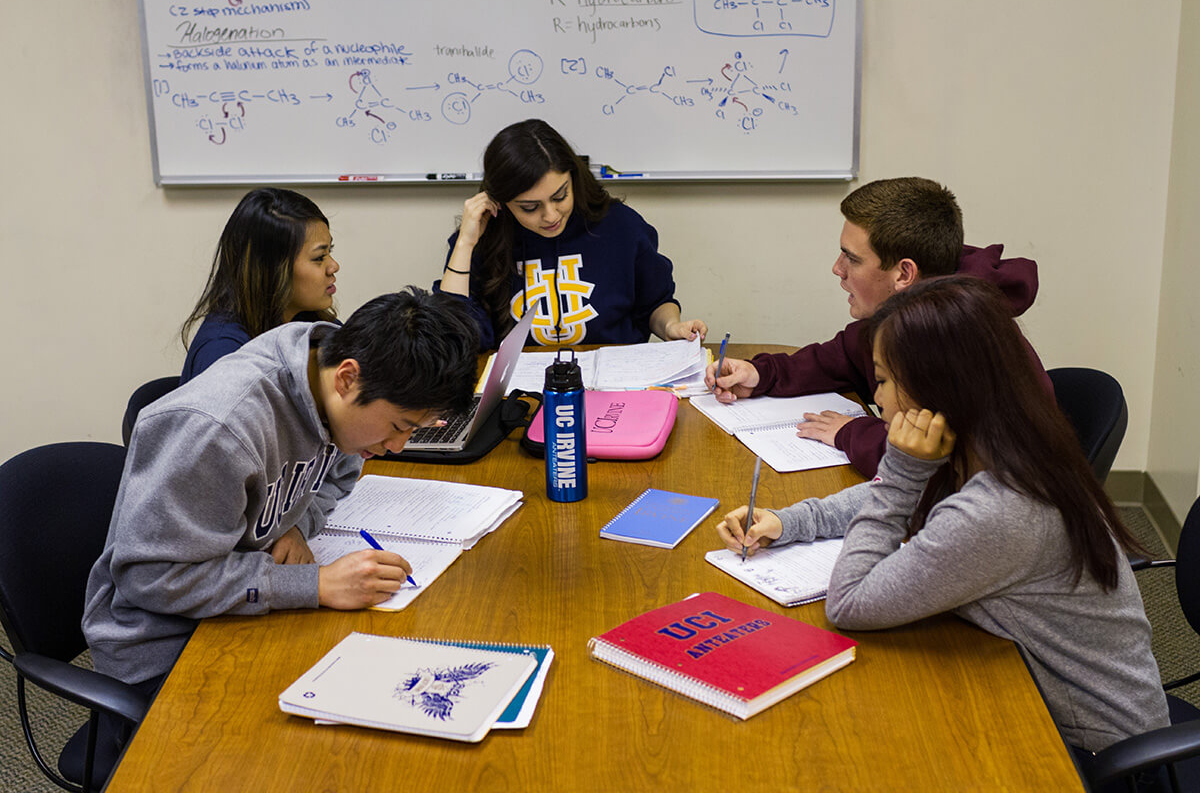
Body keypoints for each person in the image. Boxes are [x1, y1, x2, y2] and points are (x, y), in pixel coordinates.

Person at [715, 276, 1169, 761]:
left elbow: (849, 603)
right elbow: (903, 499)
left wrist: (903, 468)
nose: (880, 399)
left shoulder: (1000, 509)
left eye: (885, 381)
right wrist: (789, 523)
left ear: (940, 389)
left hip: (1088, 752)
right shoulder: (1006, 448)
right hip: (1026, 686)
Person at [82, 287, 479, 780]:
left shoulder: (330, 375)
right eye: (398, 426)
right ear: (349, 378)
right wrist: (314, 585)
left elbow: (339, 472)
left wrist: (294, 522)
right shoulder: (218, 428)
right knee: (316, 765)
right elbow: (151, 577)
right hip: (165, 646)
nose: (398, 446)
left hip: (243, 604)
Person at [705, 177, 1051, 477]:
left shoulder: (956, 338)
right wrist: (759, 374)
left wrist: (851, 432)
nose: (837, 269)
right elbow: (838, 357)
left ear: (904, 274)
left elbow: (934, 465)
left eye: (852, 259)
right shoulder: (908, 314)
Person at [434, 118, 707, 350]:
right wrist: (465, 244)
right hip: (517, 398)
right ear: (501, 203)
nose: (550, 215)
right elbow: (453, 337)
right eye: (530, 207)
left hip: (614, 388)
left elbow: (656, 303)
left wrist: (671, 326)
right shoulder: (484, 240)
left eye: (560, 196)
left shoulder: (621, 226)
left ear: (574, 179)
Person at [180, 187, 340, 383]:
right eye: (319, 257)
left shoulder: (314, 326)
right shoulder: (222, 352)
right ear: (272, 270)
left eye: (329, 250)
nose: (334, 266)